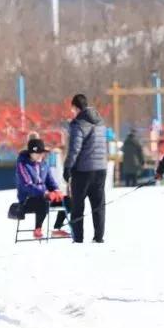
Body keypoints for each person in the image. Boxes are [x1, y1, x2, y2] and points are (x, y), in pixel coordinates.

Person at [64, 94, 109, 243]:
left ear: (75, 107)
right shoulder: (100, 122)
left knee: (77, 205)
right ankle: (98, 237)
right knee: (98, 205)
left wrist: (67, 167)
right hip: (101, 169)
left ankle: (78, 238)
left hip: (83, 170)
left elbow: (74, 149)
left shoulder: (78, 124)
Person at [15, 137, 69, 238]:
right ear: (31, 153)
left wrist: (56, 191)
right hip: (27, 200)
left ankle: (57, 228)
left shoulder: (44, 164)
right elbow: (27, 184)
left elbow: (50, 181)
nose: (40, 155)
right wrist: (45, 193)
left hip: (45, 197)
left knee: (68, 201)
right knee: (43, 201)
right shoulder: (22, 164)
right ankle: (38, 229)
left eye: (41, 152)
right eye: (37, 153)